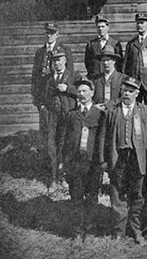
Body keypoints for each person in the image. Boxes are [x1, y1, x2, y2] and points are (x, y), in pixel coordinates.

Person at [99, 77, 147, 244]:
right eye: (124, 90)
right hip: (118, 158)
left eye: (131, 91)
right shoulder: (112, 111)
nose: (127, 94)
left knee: (138, 196)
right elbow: (102, 137)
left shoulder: (145, 111)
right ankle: (119, 231)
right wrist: (103, 160)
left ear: (137, 93)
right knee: (117, 195)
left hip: (137, 158)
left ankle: (137, 230)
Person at [61, 78, 105, 239]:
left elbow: (103, 139)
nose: (81, 94)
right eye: (79, 91)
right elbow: (64, 140)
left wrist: (101, 162)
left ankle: (91, 229)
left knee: (92, 197)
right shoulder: (72, 115)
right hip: (75, 163)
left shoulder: (99, 114)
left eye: (85, 90)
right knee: (76, 198)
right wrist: (64, 162)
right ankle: (78, 231)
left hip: (92, 163)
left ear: (92, 93)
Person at [42, 46, 81, 191]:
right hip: (53, 118)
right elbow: (44, 96)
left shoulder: (74, 76)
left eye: (59, 60)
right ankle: (53, 178)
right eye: (54, 61)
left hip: (68, 117)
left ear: (65, 60)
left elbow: (83, 93)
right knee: (52, 146)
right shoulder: (48, 78)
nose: (57, 63)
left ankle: (64, 176)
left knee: (66, 147)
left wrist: (68, 88)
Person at [32, 22, 73, 150]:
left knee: (61, 130)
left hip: (60, 95)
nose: (49, 35)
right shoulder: (40, 52)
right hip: (44, 96)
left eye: (52, 33)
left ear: (57, 34)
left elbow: (70, 72)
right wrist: (37, 99)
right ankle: (46, 159)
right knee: (45, 127)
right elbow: (35, 76)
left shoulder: (64, 50)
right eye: (47, 32)